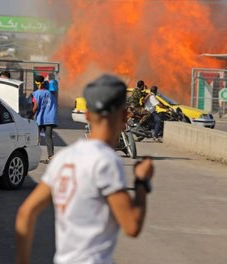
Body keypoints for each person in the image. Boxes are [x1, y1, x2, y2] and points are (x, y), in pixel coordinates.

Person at [15, 74, 153, 264]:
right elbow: (131, 226)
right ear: (124, 116)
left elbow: (26, 213)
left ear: (87, 115)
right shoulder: (106, 161)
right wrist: (142, 181)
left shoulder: (64, 158)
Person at [32, 75, 58, 163]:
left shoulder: (36, 93)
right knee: (48, 138)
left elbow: (35, 107)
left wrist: (30, 115)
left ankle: (33, 156)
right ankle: (51, 157)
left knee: (35, 137)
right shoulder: (50, 93)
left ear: (36, 83)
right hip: (50, 118)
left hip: (40, 119)